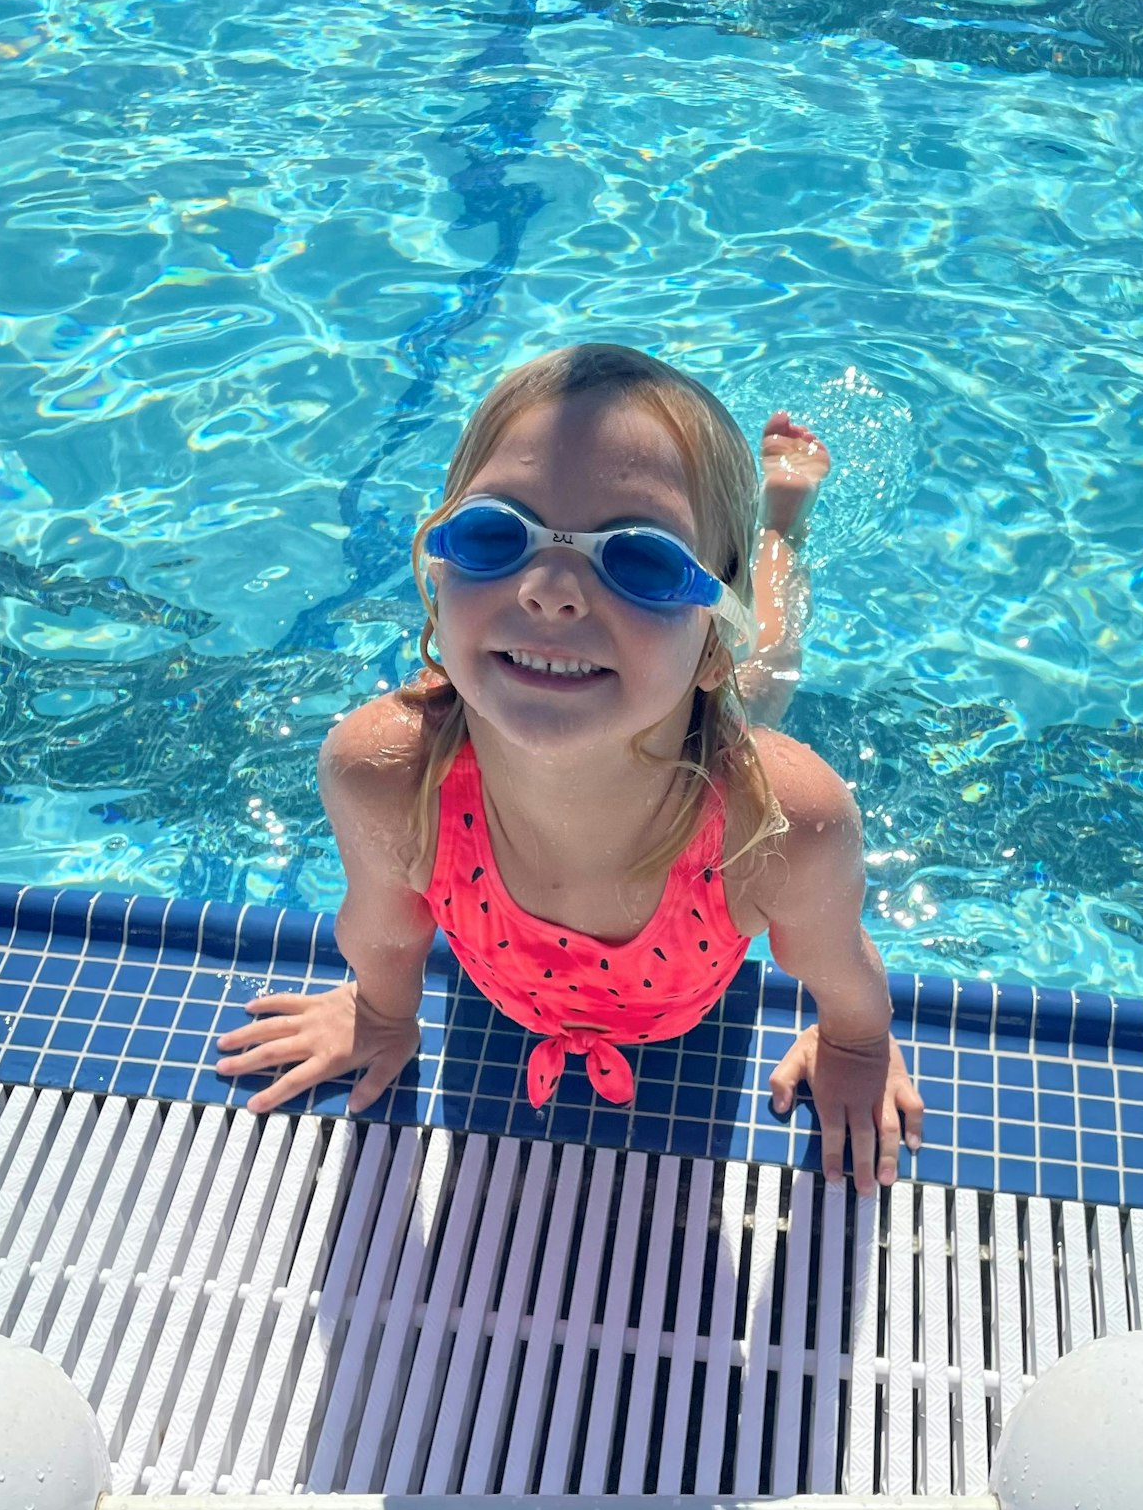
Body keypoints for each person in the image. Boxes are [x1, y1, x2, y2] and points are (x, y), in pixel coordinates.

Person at [215, 344, 922, 1192]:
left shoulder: (776, 824)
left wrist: (854, 1044)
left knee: (765, 665)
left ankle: (780, 525)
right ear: (436, 572)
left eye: (644, 560)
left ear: (705, 635)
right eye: (492, 536)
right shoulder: (388, 774)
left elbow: (841, 967)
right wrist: (378, 1015)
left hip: (707, 741)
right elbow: (384, 929)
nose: (551, 590)